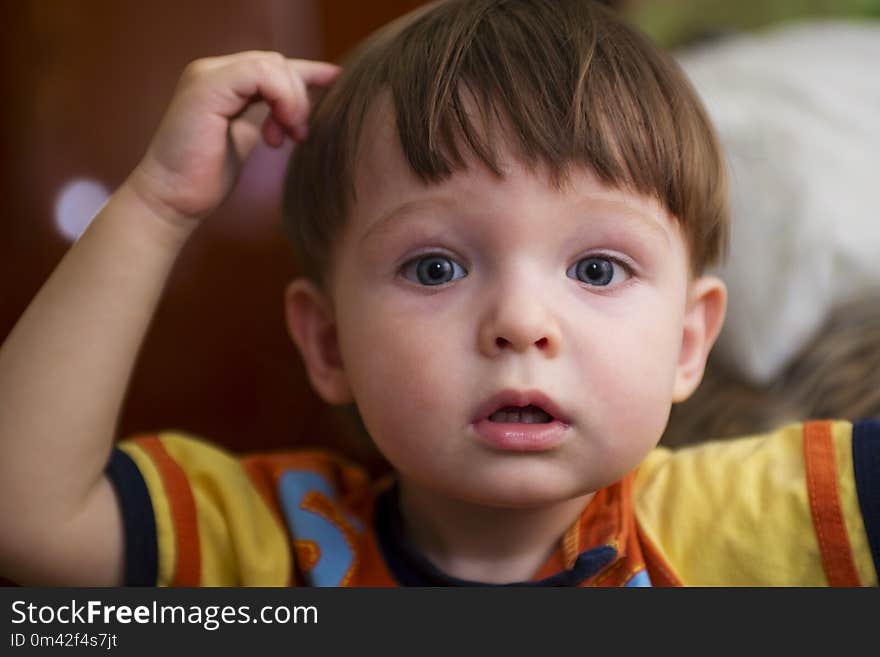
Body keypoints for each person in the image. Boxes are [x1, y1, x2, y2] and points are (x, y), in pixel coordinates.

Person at [0, 0, 876, 587]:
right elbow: (22, 515)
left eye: (598, 269)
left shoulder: (754, 522)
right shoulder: (267, 547)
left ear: (690, 343)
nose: (522, 324)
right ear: (329, 343)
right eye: (436, 268)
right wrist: (157, 204)